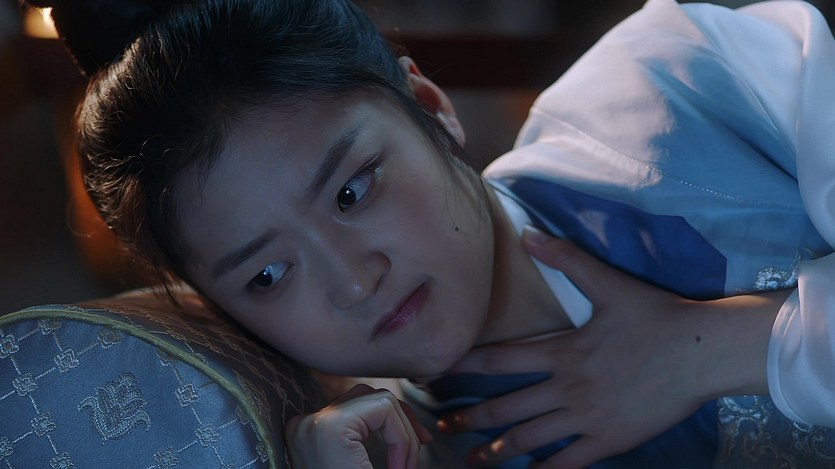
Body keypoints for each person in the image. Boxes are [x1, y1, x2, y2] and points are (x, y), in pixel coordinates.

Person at [28, 0, 835, 467]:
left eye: (351, 191)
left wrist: (720, 347)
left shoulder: (676, 86)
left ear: (429, 107)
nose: (354, 280)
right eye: (267, 275)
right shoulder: (420, 450)